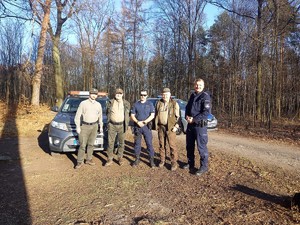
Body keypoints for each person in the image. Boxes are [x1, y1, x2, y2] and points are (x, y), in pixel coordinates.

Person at [184, 78, 211, 175]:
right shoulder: (192, 95)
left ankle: (203, 167)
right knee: (189, 146)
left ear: (203, 86)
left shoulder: (205, 97)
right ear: (194, 85)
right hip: (190, 126)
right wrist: (186, 116)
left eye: (199, 85)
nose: (197, 86)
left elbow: (206, 112)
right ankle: (190, 163)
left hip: (199, 126)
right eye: (196, 84)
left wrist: (194, 119)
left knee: (201, 147)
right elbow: (187, 107)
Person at [74, 88, 103, 169]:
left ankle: (89, 159)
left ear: (97, 95)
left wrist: (101, 126)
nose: (94, 95)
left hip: (94, 126)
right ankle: (79, 161)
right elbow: (77, 116)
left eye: (95, 94)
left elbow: (100, 116)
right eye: (92, 93)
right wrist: (78, 126)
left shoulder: (98, 105)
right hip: (84, 126)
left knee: (91, 144)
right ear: (89, 94)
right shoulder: (83, 103)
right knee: (82, 145)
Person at [154, 88, 180, 171]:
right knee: (162, 145)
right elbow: (155, 114)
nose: (165, 96)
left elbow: (178, 117)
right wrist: (156, 125)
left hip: (170, 128)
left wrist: (176, 126)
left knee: (172, 145)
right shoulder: (158, 103)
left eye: (166, 94)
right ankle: (162, 160)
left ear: (170, 95)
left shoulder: (174, 104)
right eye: (163, 94)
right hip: (161, 127)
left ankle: (173, 162)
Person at [105, 88, 130, 166]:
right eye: (117, 93)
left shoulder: (126, 103)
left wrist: (127, 123)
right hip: (112, 125)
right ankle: (109, 159)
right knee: (110, 142)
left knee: (121, 143)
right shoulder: (110, 102)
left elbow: (128, 114)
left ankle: (120, 157)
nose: (118, 95)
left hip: (122, 125)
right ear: (114, 94)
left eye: (120, 93)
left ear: (122, 94)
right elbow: (107, 113)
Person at [130, 90, 155, 168]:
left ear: (147, 96)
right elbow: (132, 115)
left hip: (146, 127)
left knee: (149, 144)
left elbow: (152, 115)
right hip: (137, 127)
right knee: (137, 144)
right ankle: (137, 159)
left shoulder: (150, 104)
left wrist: (144, 122)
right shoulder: (136, 104)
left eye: (144, 95)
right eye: (141, 95)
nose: (142, 96)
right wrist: (137, 122)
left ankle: (151, 160)